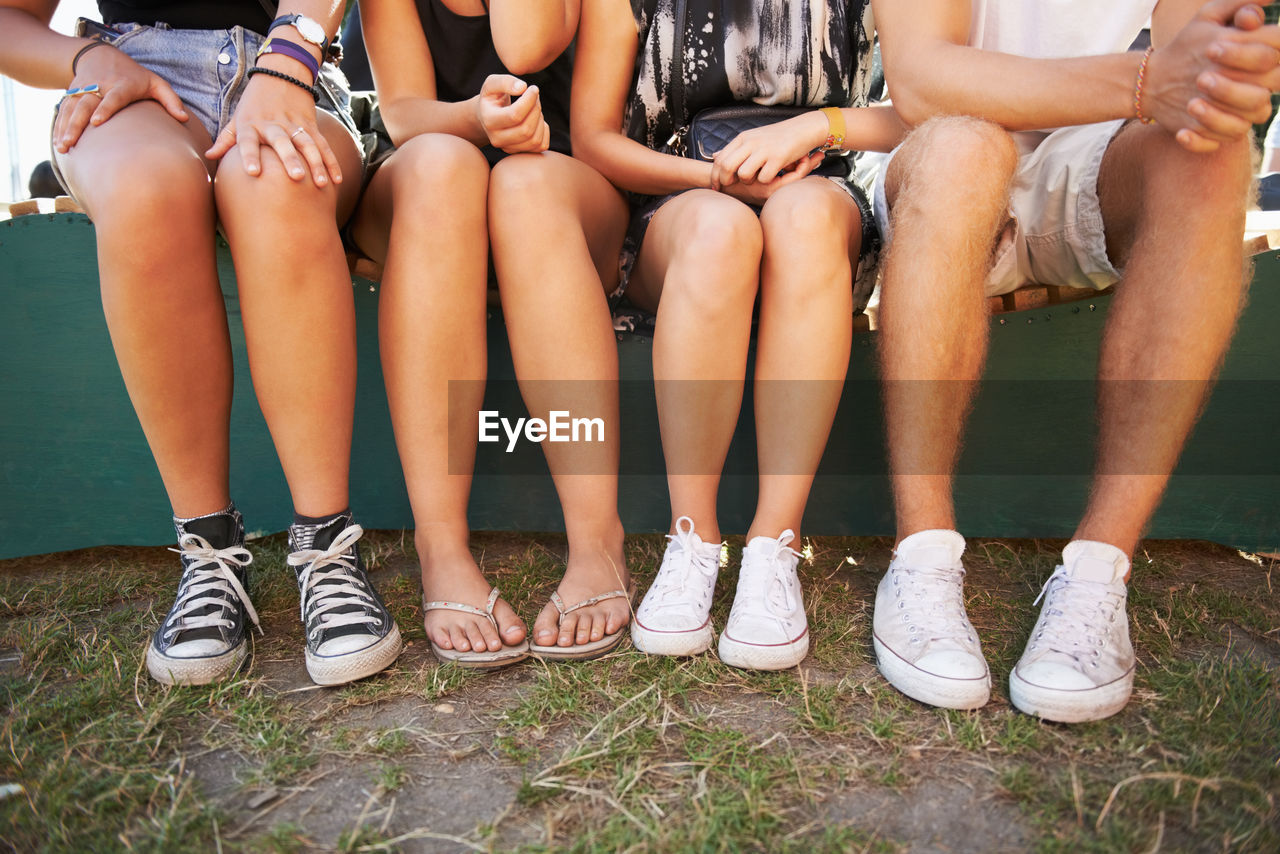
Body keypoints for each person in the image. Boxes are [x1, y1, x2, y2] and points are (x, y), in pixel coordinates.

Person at [867, 0, 1278, 720]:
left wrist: (1220, 75)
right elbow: (922, 78)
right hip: (941, 144)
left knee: (1211, 149)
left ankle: (1096, 576)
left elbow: (1194, 78)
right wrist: (1150, 79)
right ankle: (922, 556)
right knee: (963, 147)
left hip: (1097, 150)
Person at [0, 0, 402, 686]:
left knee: (278, 179)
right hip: (132, 78)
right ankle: (207, 549)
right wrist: (85, 59)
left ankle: (326, 547)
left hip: (293, 66)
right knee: (144, 192)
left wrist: (291, 58)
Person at [572, 0, 904, 669]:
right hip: (678, 197)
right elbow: (594, 139)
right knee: (720, 230)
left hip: (817, 191)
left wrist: (815, 128)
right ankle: (691, 539)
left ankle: (775, 546)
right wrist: (717, 176)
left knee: (805, 223)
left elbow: (922, 107)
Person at [351, 0, 635, 663]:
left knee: (522, 186)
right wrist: (475, 119)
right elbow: (405, 114)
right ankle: (440, 545)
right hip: (433, 186)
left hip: (559, 193)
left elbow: (527, 42)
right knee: (443, 165)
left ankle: (598, 542)